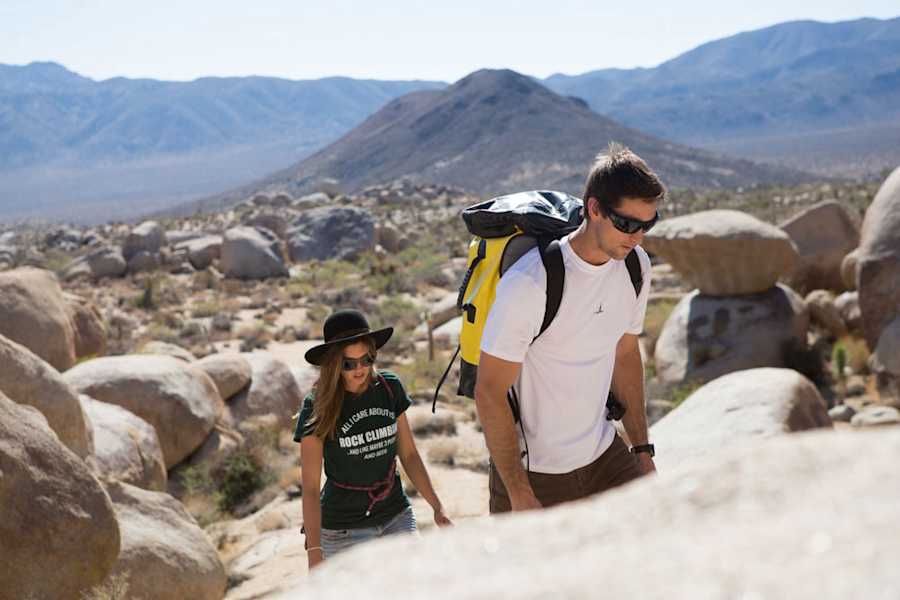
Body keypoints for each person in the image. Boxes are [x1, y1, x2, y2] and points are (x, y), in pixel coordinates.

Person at [475, 143, 664, 513]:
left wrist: (641, 450)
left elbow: (625, 354)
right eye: (627, 224)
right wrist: (518, 490)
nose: (636, 236)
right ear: (594, 209)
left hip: (606, 457)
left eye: (647, 225)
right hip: (536, 475)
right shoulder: (531, 284)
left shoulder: (635, 267)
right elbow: (489, 390)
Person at [296, 309, 451, 569]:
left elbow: (409, 455)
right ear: (334, 364)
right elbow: (310, 487)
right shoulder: (317, 407)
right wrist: (314, 551)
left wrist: (438, 507)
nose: (360, 370)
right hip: (343, 530)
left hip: (396, 516)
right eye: (349, 364)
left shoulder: (389, 388)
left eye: (366, 360)